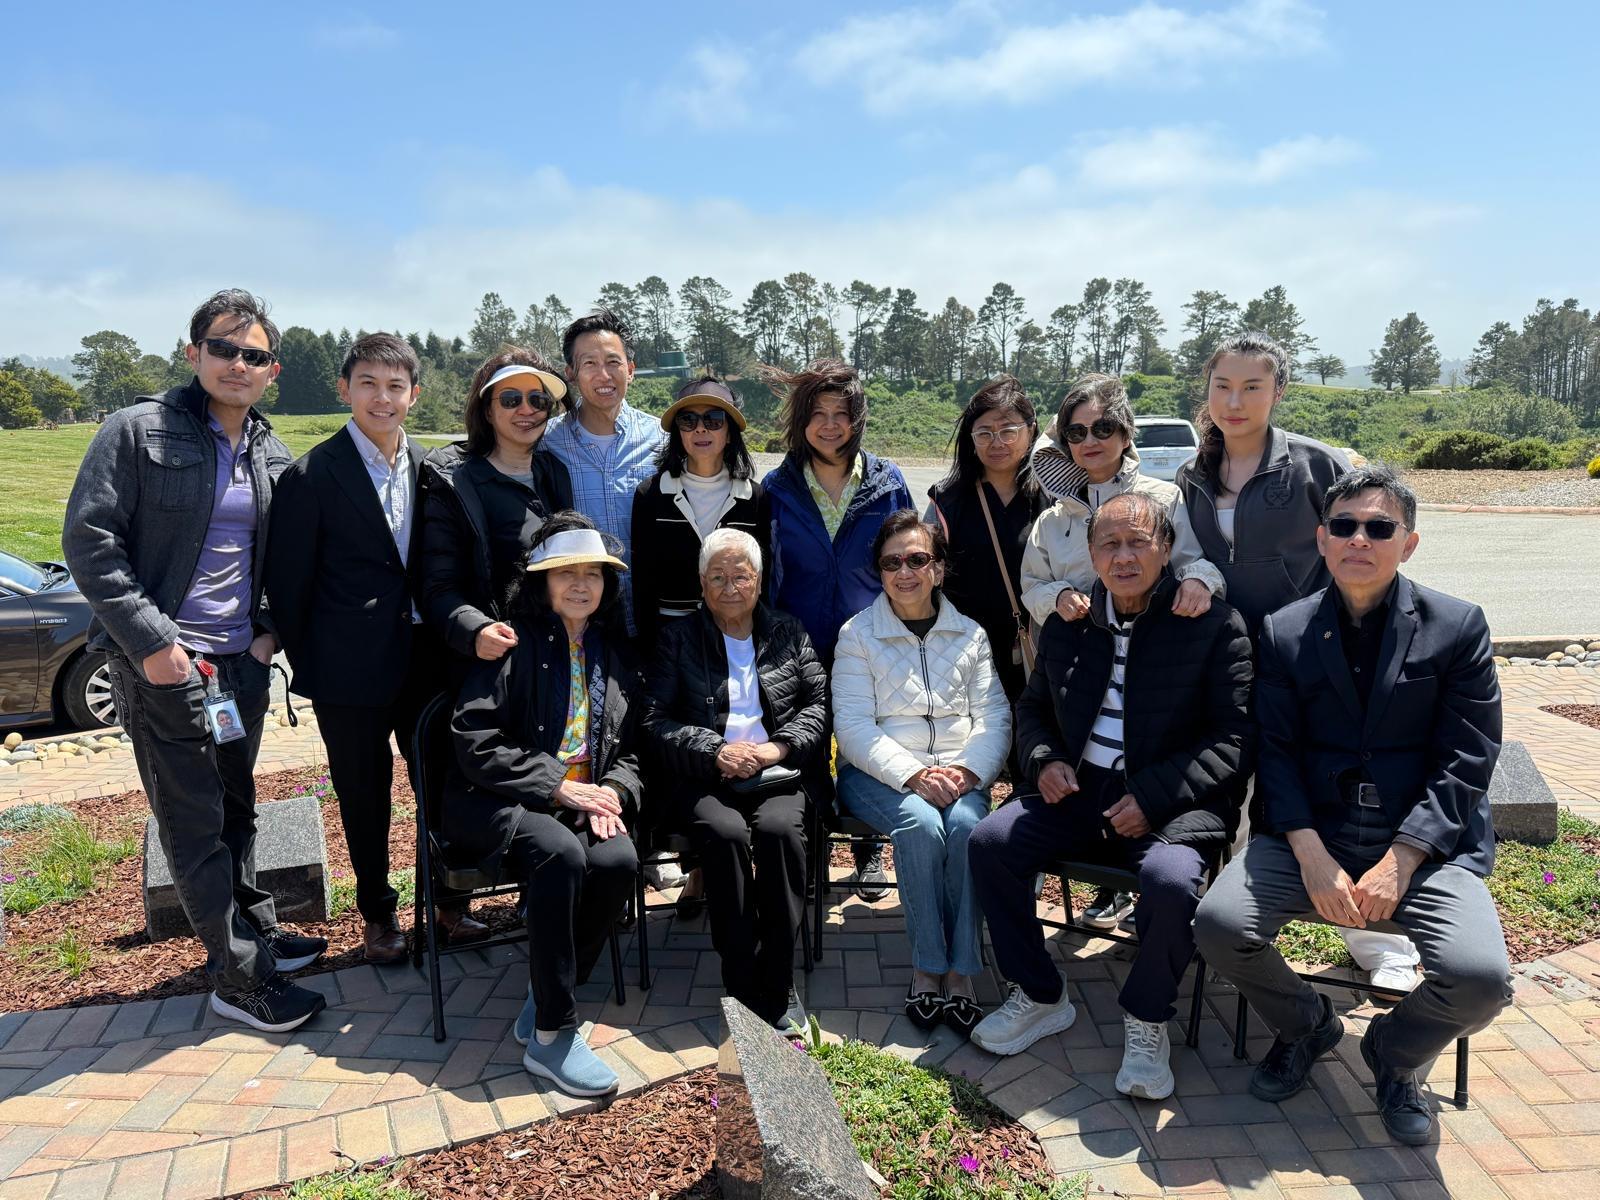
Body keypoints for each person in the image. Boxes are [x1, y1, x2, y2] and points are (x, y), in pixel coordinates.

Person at [1194, 465, 1512, 1146]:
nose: (1359, 539)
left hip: (1426, 846)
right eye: (1344, 526)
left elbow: (1469, 757)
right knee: (1220, 926)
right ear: (1322, 538)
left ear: (1410, 541)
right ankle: (1308, 1024)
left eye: (1378, 527)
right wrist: (1309, 855)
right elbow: (1273, 754)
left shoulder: (1457, 627)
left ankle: (1395, 1056)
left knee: (1481, 979)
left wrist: (1403, 858)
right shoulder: (1284, 630)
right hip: (1315, 833)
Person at [63, 289, 327, 1032]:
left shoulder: (268, 448)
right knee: (192, 818)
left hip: (237, 666)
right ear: (193, 354)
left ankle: (256, 932)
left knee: (237, 808)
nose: (237, 364)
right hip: (164, 669)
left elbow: (278, 557)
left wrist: (267, 630)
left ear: (272, 369)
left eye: (254, 355)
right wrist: (153, 643)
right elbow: (90, 543)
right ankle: (238, 978)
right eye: (223, 348)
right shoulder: (135, 431)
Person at [967, 492, 1253, 1099]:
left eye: (1138, 542)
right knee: (990, 843)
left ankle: (1148, 1019)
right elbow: (1035, 707)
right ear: (1091, 553)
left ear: (1167, 548)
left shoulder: (1213, 625)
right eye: (1108, 544)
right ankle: (1040, 993)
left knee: (1172, 884)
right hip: (1078, 789)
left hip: (1172, 800)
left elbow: (1234, 739)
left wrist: (1151, 797)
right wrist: (1042, 759)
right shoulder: (1072, 624)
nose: (1123, 557)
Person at [1176, 332, 1420, 991]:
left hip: (1310, 662)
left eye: (1253, 387)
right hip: (1221, 667)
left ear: (1278, 393)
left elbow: (1366, 546)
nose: (1235, 400)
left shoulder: (1315, 464)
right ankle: (1227, 923)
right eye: (1223, 385)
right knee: (1226, 789)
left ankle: (1370, 939)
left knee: (1320, 790)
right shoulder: (1193, 474)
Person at [444, 513, 644, 1097]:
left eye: (594, 574)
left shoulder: (613, 649)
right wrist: (559, 785)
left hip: (583, 797)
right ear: (542, 581)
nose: (581, 584)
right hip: (500, 798)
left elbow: (635, 746)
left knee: (618, 862)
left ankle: (546, 990)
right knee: (560, 853)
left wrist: (616, 791)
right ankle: (554, 1035)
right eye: (566, 573)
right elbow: (474, 741)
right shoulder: (514, 641)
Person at [267, 333, 449, 964]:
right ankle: (378, 916)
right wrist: (312, 666)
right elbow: (288, 585)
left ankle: (447, 905)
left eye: (396, 386)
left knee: (442, 786)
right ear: (345, 390)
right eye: (368, 383)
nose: (382, 397)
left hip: (425, 661)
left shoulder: (431, 467)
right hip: (348, 672)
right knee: (365, 797)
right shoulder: (312, 475)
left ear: (414, 395)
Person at [1020, 372, 1224, 932]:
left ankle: (1137, 896)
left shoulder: (1161, 498)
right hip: (1075, 663)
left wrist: (1201, 584)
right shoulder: (1054, 514)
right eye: (1077, 431)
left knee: (1132, 774)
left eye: (1104, 427)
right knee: (1074, 774)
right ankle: (1099, 889)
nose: (1091, 441)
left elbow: (1196, 560)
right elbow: (1030, 584)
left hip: (1151, 667)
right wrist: (1056, 596)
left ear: (1127, 431)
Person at [831, 511, 1012, 1037]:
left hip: (961, 772)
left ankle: (962, 972)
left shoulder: (970, 634)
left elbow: (994, 717)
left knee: (965, 828)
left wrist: (970, 770)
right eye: (892, 563)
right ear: (879, 572)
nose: (904, 572)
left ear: (938, 568)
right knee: (919, 823)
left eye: (917, 559)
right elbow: (855, 726)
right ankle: (927, 966)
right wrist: (912, 774)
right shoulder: (858, 634)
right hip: (879, 774)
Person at [644, 529, 827, 1030]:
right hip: (707, 777)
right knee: (724, 835)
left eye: (740, 576)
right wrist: (716, 751)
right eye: (718, 577)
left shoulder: (788, 631)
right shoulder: (677, 638)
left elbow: (816, 706)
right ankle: (740, 975)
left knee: (779, 833)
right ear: (702, 584)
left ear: (759, 580)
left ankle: (780, 978)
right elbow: (654, 719)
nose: (729, 587)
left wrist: (775, 748)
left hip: (778, 773)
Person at [762, 357, 913, 900]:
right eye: (818, 414)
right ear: (800, 421)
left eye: (841, 414)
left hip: (870, 640)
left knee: (867, 743)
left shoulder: (887, 480)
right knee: (803, 748)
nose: (829, 425)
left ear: (857, 420)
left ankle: (870, 851)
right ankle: (808, 852)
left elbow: (907, 554)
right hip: (794, 643)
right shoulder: (776, 488)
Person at [416, 349, 574, 690]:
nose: (526, 409)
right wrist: (475, 630)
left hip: (556, 657)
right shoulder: (456, 484)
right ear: (487, 410)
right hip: (494, 667)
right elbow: (437, 586)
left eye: (538, 400)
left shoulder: (554, 473)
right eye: (511, 399)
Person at [542, 310, 668, 634]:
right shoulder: (547, 444)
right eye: (589, 364)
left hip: (656, 620)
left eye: (613, 362)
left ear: (631, 370)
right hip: (585, 626)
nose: (604, 375)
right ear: (571, 373)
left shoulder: (662, 439)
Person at [926, 375, 1046, 706]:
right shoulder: (946, 501)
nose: (997, 442)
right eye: (984, 432)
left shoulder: (1053, 497)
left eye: (1009, 430)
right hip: (962, 655)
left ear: (1031, 430)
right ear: (971, 437)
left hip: (1040, 649)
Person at [631, 375, 771, 650]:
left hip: (737, 635)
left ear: (730, 432)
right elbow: (643, 585)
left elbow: (762, 577)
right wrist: (650, 652)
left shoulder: (754, 498)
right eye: (688, 420)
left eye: (713, 420)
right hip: (670, 639)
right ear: (677, 432)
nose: (700, 430)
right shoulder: (651, 495)